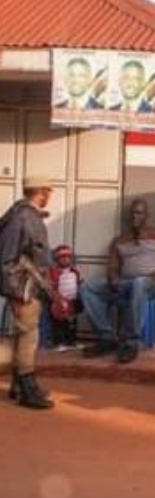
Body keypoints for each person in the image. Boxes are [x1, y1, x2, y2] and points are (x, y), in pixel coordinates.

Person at [81, 199, 155, 364]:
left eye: (139, 212)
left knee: (140, 282)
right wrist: (113, 278)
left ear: (146, 215)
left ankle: (131, 341)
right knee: (87, 286)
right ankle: (107, 337)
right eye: (133, 213)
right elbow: (112, 267)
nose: (135, 216)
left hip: (150, 282)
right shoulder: (119, 240)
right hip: (126, 283)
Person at [0, 175, 56, 409]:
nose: (50, 197)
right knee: (27, 339)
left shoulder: (24, 216)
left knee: (14, 340)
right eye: (48, 192)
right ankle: (27, 389)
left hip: (28, 288)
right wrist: (15, 294)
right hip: (23, 290)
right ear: (41, 192)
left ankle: (19, 386)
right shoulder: (23, 218)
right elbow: (7, 259)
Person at [46, 244, 83, 352]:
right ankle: (58, 343)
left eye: (68, 257)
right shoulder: (54, 272)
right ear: (57, 259)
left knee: (71, 323)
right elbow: (51, 287)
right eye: (62, 258)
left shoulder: (74, 272)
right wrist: (58, 300)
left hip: (72, 301)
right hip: (59, 302)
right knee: (59, 323)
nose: (65, 260)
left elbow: (78, 284)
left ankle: (71, 341)